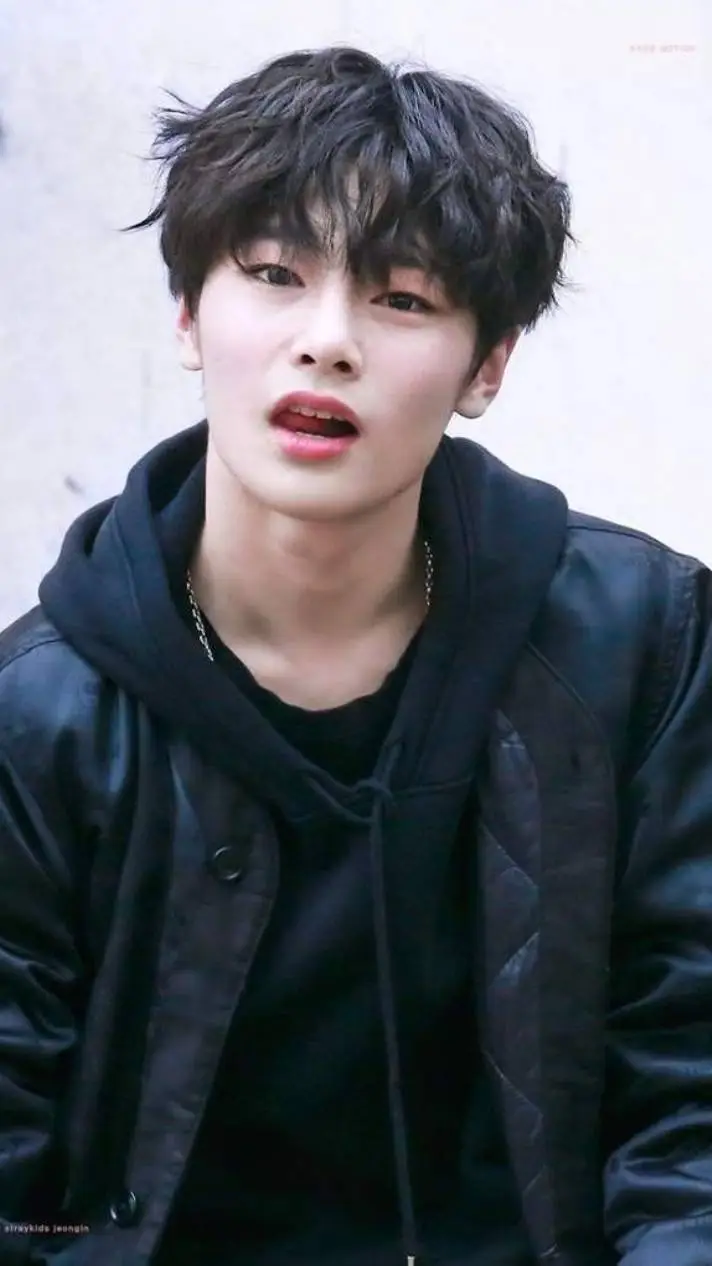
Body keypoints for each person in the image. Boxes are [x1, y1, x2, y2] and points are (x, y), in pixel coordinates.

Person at [0, 43, 710, 1266]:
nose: (326, 341)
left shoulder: (642, 641)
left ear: (487, 365)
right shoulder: (39, 717)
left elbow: (689, 1081)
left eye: (403, 299)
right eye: (274, 274)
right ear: (188, 315)